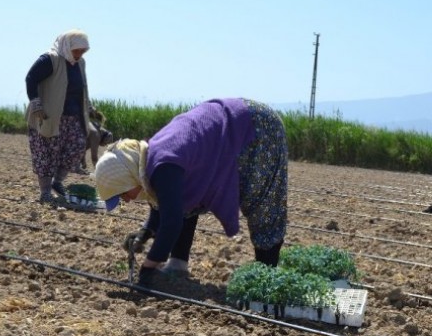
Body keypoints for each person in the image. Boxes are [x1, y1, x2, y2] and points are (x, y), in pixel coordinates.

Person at [94, 98, 288, 286]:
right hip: (226, 125)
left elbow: (172, 221)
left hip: (256, 127)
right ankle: (178, 264)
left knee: (263, 203)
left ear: (128, 177)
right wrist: (145, 233)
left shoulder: (165, 164)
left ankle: (267, 277)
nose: (125, 201)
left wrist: (148, 267)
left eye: (122, 193)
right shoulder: (149, 159)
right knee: (185, 196)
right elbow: (165, 202)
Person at [25, 29, 93, 202]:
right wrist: (36, 103)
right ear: (67, 46)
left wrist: (89, 106)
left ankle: (58, 182)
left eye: (82, 51)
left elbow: (82, 87)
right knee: (47, 154)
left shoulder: (80, 63)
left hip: (73, 116)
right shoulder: (50, 60)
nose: (79, 54)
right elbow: (30, 78)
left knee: (77, 147)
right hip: (49, 116)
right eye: (76, 50)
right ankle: (45, 192)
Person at [78, 105, 114, 174]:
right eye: (105, 143)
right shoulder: (95, 135)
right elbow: (94, 157)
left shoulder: (93, 128)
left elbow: (83, 148)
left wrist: (83, 164)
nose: (104, 145)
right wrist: (99, 171)